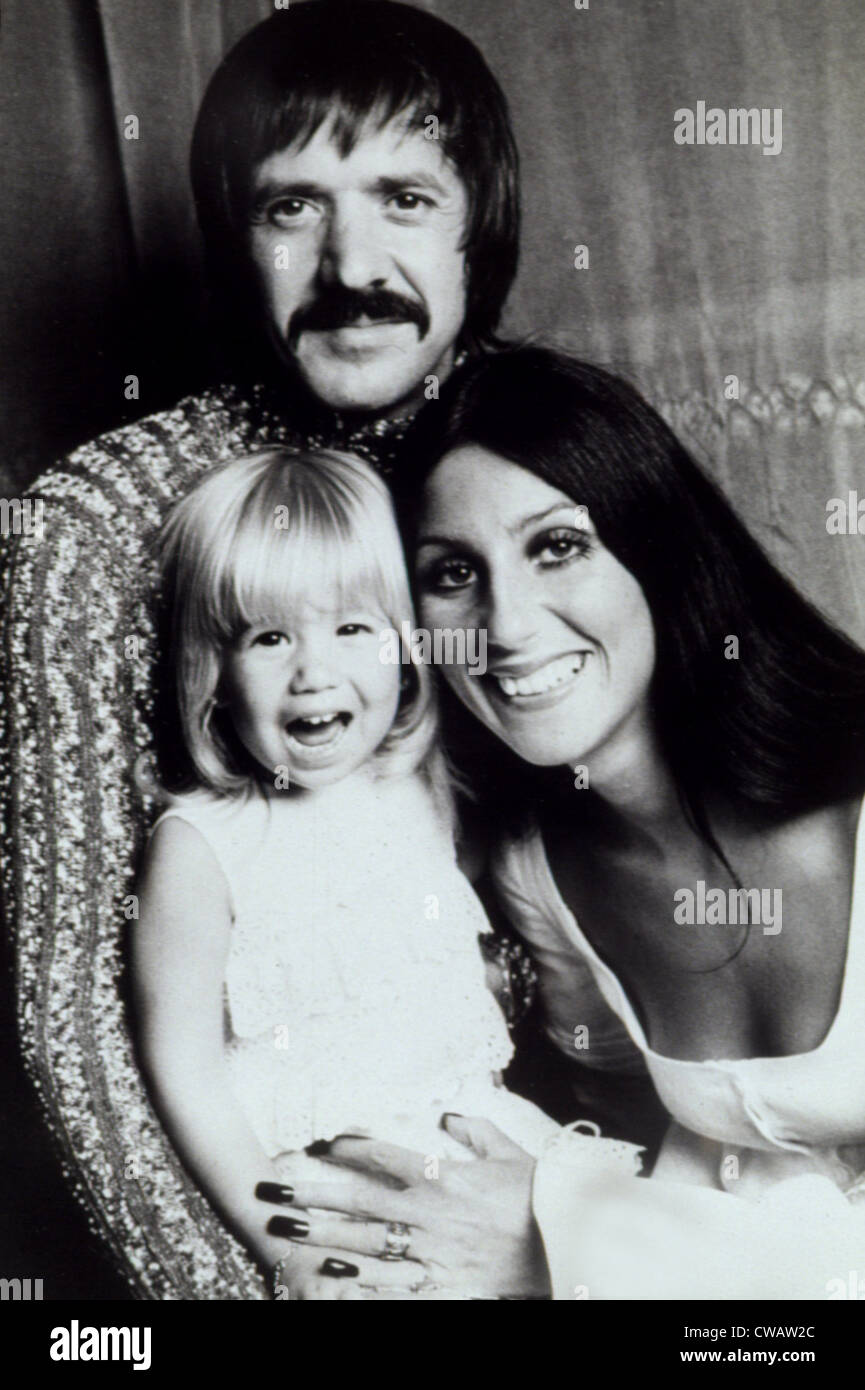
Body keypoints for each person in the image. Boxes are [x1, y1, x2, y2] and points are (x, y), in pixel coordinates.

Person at [0, 1, 524, 1298]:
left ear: (481, 223)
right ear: (236, 242)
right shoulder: (95, 525)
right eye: (291, 206)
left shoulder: (541, 465)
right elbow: (81, 1025)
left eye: (403, 196)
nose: (350, 260)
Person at [253, 345, 865, 1299]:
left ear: (657, 549)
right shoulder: (539, 869)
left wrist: (565, 1239)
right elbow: (627, 1132)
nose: (507, 624)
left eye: (557, 546)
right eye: (452, 573)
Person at [132, 445, 562, 1300]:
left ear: (404, 649)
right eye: (269, 636)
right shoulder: (202, 843)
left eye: (353, 628)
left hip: (486, 1163)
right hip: (348, 1203)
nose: (313, 671)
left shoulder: (421, 784)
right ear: (212, 676)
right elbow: (183, 1071)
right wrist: (279, 1239)